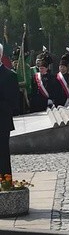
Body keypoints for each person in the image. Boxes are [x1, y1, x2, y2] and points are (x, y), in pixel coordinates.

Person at [0, 43, 20, 175]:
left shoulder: (10, 75)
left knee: (3, 154)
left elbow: (14, 102)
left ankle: (5, 182)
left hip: (2, 121)